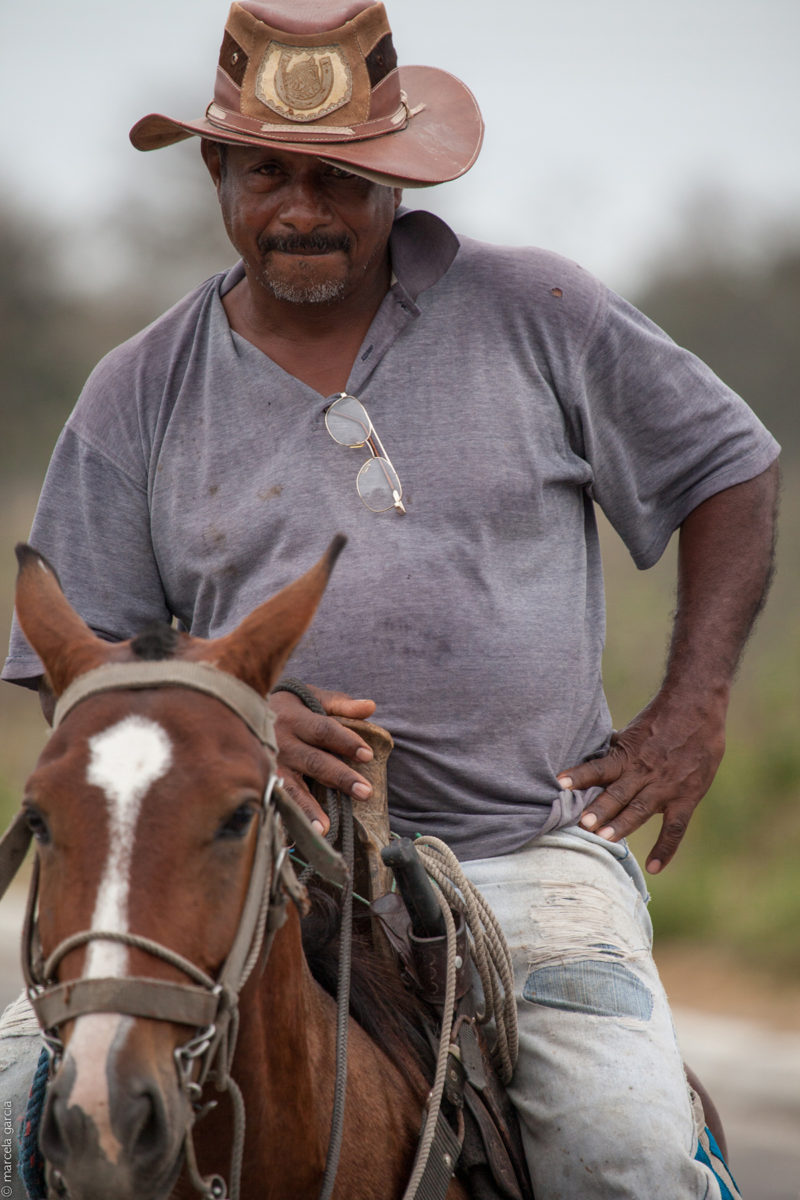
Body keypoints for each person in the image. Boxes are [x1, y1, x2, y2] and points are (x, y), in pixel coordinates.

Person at [1, 1, 779, 1196]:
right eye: (268, 172)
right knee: (19, 1120)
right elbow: (86, 666)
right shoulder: (137, 388)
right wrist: (235, 715)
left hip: (523, 850)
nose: (302, 210)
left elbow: (728, 466)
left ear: (395, 182)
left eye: (339, 179)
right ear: (216, 170)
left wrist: (694, 704)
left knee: (622, 1153)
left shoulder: (540, 312)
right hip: (220, 858)